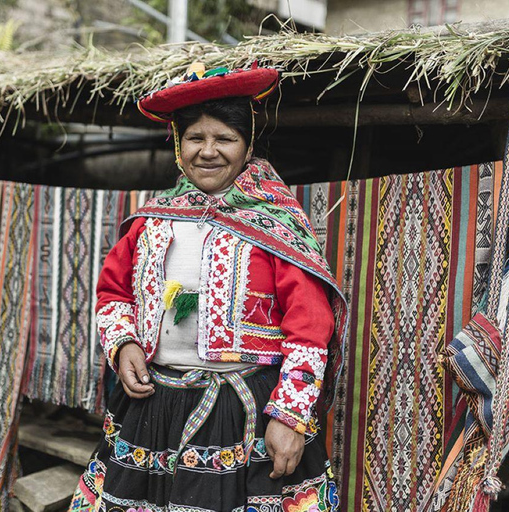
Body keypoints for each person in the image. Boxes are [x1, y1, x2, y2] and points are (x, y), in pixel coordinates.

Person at [68, 63, 348, 512]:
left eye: (225, 139)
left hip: (244, 415)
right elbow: (113, 292)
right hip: (154, 411)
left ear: (248, 144)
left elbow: (311, 326)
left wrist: (291, 418)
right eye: (196, 139)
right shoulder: (154, 219)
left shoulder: (275, 225)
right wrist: (124, 346)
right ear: (178, 146)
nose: (209, 152)